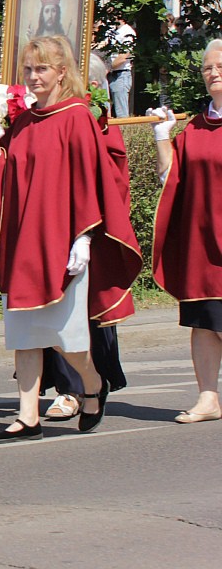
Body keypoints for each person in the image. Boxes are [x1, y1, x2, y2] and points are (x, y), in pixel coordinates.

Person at [0, 36, 141, 443]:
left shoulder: (77, 116)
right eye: (29, 69)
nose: (33, 77)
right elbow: (15, 180)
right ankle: (26, 415)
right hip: (25, 236)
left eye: (42, 69)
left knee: (64, 333)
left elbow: (87, 179)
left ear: (62, 72)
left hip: (64, 236)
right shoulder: (26, 121)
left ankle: (91, 381)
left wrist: (83, 238)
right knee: (24, 329)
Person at [39, 53, 129, 420]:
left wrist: (86, 230)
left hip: (86, 228)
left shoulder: (96, 123)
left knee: (81, 311)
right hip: (45, 225)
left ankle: (77, 387)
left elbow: (110, 177)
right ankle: (63, 388)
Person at [150, 38, 222, 424]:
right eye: (208, 68)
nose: (213, 73)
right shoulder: (195, 126)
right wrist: (163, 136)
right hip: (200, 241)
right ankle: (208, 397)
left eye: (220, 67)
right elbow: (170, 176)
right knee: (205, 321)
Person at [105, 16, 136, 116]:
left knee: (121, 113)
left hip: (121, 74)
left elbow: (124, 56)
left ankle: (123, 131)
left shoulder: (128, 32)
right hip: (110, 74)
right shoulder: (112, 31)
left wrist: (108, 68)